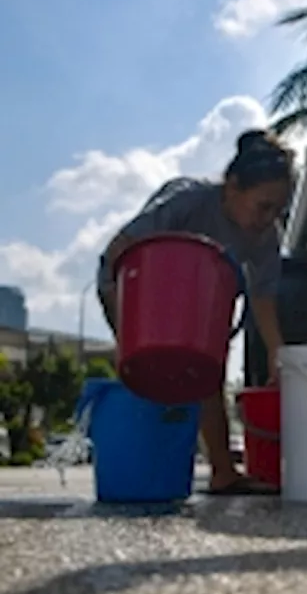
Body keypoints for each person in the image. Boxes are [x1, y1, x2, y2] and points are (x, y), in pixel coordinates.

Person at [97, 130, 293, 495]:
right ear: (231, 187)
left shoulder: (265, 236)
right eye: (263, 206)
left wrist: (276, 352)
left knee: (205, 371)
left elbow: (264, 298)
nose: (268, 218)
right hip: (134, 284)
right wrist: (132, 325)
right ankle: (140, 466)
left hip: (200, 299)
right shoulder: (189, 200)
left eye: (277, 210)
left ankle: (222, 471)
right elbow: (119, 250)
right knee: (148, 371)